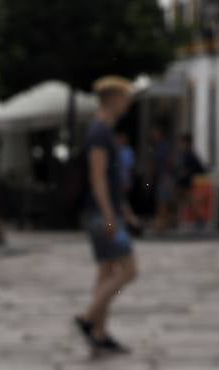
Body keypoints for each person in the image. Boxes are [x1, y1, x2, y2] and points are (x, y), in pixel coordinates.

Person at [75, 76, 142, 355]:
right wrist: (110, 215)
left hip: (105, 211)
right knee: (129, 270)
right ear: (113, 99)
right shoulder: (99, 133)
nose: (127, 105)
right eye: (125, 99)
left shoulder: (104, 131)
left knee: (107, 272)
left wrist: (124, 211)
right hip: (100, 213)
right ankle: (88, 318)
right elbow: (98, 177)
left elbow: (112, 181)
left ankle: (100, 334)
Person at [174, 134, 207, 229]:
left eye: (182, 142)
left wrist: (188, 172)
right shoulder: (184, 154)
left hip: (185, 182)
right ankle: (182, 220)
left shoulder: (189, 154)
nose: (181, 144)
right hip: (183, 182)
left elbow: (200, 168)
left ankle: (197, 219)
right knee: (185, 202)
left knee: (187, 201)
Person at [150, 126, 176, 234]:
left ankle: (163, 225)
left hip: (165, 177)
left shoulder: (164, 146)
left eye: (155, 133)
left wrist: (167, 174)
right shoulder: (156, 147)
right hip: (160, 177)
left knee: (163, 201)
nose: (153, 136)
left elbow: (170, 161)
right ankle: (162, 223)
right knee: (161, 201)